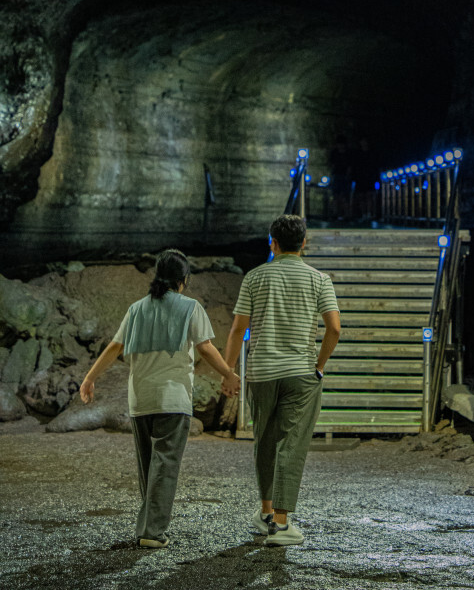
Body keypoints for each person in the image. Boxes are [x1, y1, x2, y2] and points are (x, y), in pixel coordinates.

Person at [79, 248, 241, 548]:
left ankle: (148, 525)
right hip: (173, 398)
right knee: (165, 466)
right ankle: (152, 532)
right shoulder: (190, 307)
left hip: (140, 400)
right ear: (184, 280)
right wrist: (228, 373)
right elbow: (205, 348)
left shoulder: (137, 308)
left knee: (148, 467)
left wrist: (90, 378)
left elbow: (115, 347)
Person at [223, 214, 341, 547]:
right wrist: (319, 365)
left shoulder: (255, 277)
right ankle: (282, 523)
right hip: (301, 374)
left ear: (272, 243)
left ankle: (265, 514)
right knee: (292, 444)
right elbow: (334, 328)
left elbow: (237, 329)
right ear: (304, 243)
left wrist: (229, 370)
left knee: (265, 440)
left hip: (261, 373)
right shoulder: (320, 280)